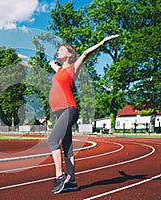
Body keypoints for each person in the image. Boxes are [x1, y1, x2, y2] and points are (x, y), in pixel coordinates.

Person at [47, 34, 119, 194]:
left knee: (52, 140)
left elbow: (86, 54)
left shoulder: (73, 67)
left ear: (70, 55)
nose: (58, 52)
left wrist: (102, 42)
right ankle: (71, 181)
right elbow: (55, 67)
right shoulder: (59, 69)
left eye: (61, 50)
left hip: (69, 109)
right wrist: (52, 64)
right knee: (68, 147)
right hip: (60, 112)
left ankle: (60, 176)